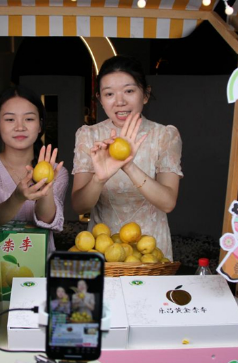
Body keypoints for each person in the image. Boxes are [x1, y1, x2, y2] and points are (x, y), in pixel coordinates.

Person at [71, 55, 182, 260]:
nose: (120, 102)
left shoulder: (164, 135)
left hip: (151, 248)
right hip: (102, 247)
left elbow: (167, 203)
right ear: (100, 99)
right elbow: (79, 206)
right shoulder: (89, 136)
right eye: (109, 94)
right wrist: (99, 179)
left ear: (145, 95)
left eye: (129, 91)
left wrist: (129, 167)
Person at [0, 86, 68, 253]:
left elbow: (47, 219)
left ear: (40, 125)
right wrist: (17, 198)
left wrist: (45, 188)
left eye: (28, 119)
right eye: (10, 119)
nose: (20, 127)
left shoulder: (57, 171)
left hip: (41, 266)